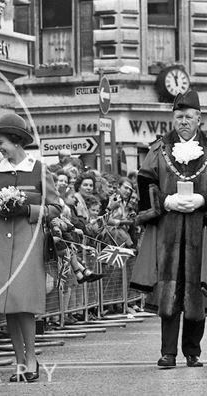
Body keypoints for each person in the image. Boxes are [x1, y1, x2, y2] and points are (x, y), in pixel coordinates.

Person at [0, 113, 61, 382]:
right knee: (7, 304)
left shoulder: (39, 169)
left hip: (27, 240)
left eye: (0, 141)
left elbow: (56, 207)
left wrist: (27, 209)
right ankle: (19, 361)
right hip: (1, 240)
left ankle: (32, 359)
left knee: (23, 303)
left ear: (15, 141)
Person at [131, 89, 207, 368]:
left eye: (188, 117)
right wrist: (166, 201)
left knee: (199, 290)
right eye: (178, 117)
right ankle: (168, 352)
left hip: (203, 230)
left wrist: (203, 199)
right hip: (168, 231)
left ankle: (192, 351)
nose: (183, 122)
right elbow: (144, 181)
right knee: (168, 292)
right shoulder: (159, 148)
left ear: (199, 118)